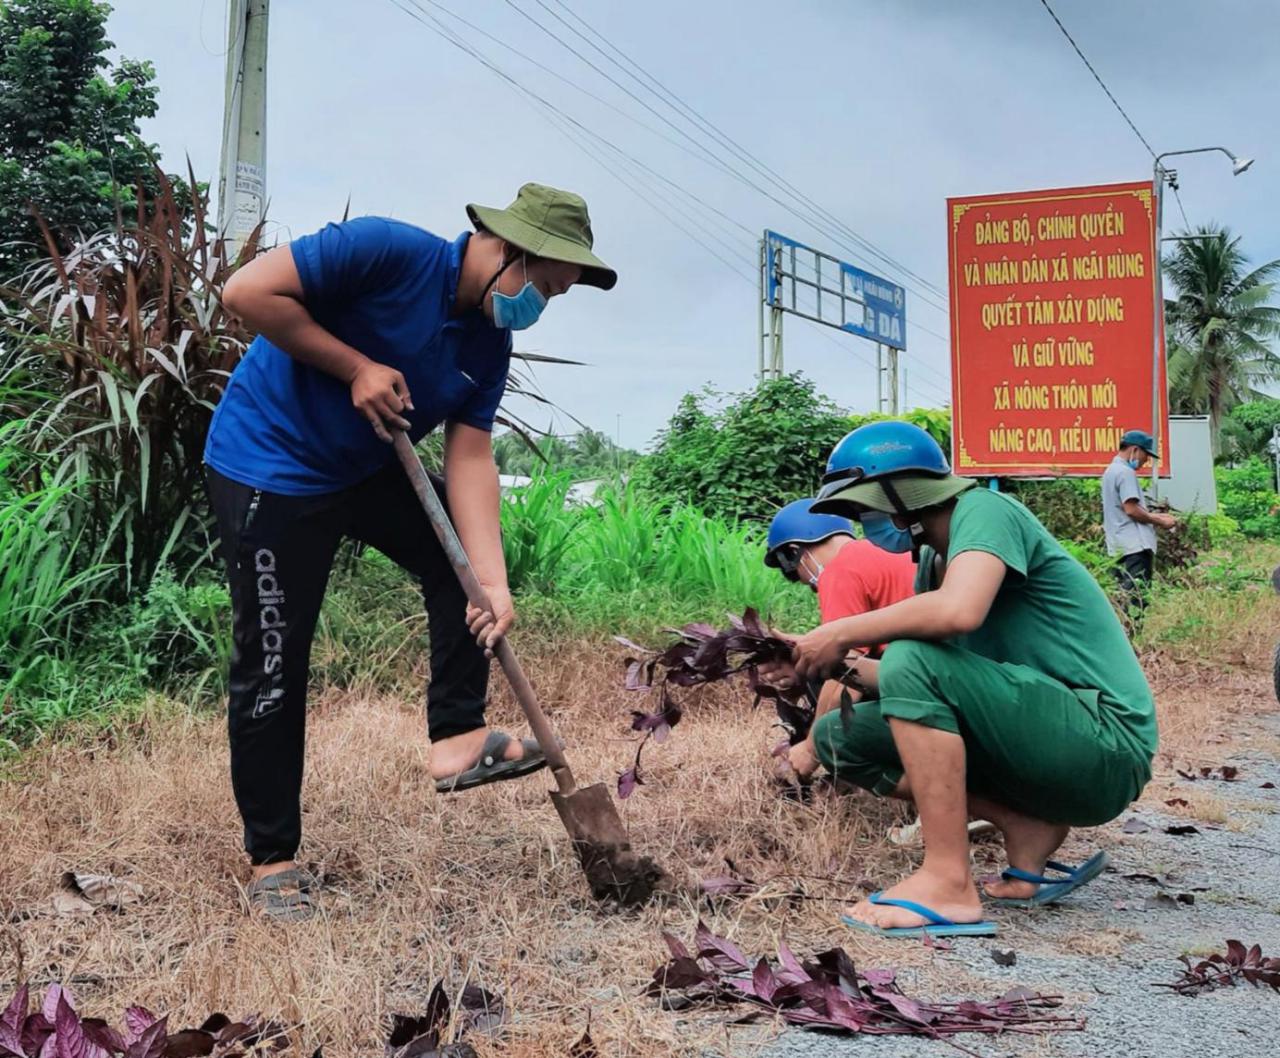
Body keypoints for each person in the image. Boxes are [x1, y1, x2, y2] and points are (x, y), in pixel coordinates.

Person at [203, 184, 616, 919]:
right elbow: (247, 292)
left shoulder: (489, 344)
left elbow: (469, 461)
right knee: (274, 657)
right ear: (509, 249)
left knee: (451, 562)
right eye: (543, 286)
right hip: (268, 463)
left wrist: (489, 579)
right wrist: (355, 366)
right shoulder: (387, 251)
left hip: (365, 469)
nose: (540, 305)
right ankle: (274, 860)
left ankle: (457, 737)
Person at [785, 421, 1157, 939]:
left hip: (1105, 743)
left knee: (913, 654)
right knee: (838, 737)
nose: (865, 522)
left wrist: (840, 632)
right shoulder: (933, 561)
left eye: (865, 507)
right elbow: (917, 679)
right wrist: (825, 662)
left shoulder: (985, 511)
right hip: (1041, 742)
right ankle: (1025, 827)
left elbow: (958, 613)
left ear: (901, 493)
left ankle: (947, 881)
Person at [762, 500, 916, 783]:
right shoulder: (885, 551)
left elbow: (845, 675)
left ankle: (878, 773)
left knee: (823, 672)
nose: (808, 585)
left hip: (912, 689)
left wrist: (810, 749)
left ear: (795, 553)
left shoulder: (840, 570)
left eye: (795, 572)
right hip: (929, 669)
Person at [1101, 430, 1176, 624]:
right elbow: (1131, 509)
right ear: (1135, 450)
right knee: (1135, 597)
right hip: (1135, 546)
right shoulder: (1125, 473)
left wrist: (1155, 515)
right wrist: (1161, 521)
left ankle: (1123, 634)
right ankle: (1131, 635)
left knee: (1121, 595)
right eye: (1145, 455)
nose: (1145, 461)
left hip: (1118, 546)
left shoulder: (1111, 471)